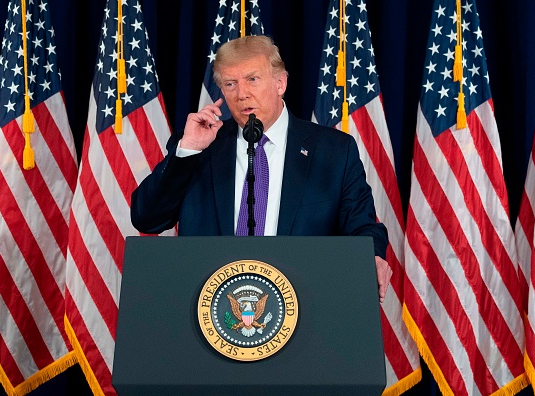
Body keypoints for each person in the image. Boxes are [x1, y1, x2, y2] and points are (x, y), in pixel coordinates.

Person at [130, 35, 392, 302]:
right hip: (210, 313)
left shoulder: (334, 151)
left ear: (281, 83)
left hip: (304, 309)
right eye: (230, 84)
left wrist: (372, 255)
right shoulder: (199, 147)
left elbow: (363, 226)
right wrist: (187, 150)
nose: (242, 93)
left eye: (252, 79)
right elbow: (147, 218)